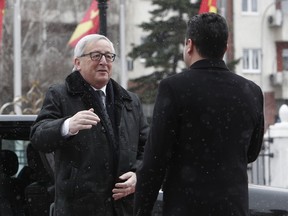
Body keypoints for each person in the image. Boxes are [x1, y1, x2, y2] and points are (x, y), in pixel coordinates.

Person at [133, 12, 264, 216]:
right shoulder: (251, 91)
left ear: (189, 45)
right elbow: (252, 152)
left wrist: (141, 210)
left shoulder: (173, 88)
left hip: (186, 207)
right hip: (233, 208)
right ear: (225, 48)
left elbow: (155, 160)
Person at [30, 34, 149, 216]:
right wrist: (67, 125)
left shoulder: (130, 101)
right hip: (79, 208)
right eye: (96, 56)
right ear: (77, 63)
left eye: (109, 56)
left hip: (123, 208)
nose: (103, 61)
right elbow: (38, 136)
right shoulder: (60, 95)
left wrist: (138, 176)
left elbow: (147, 148)